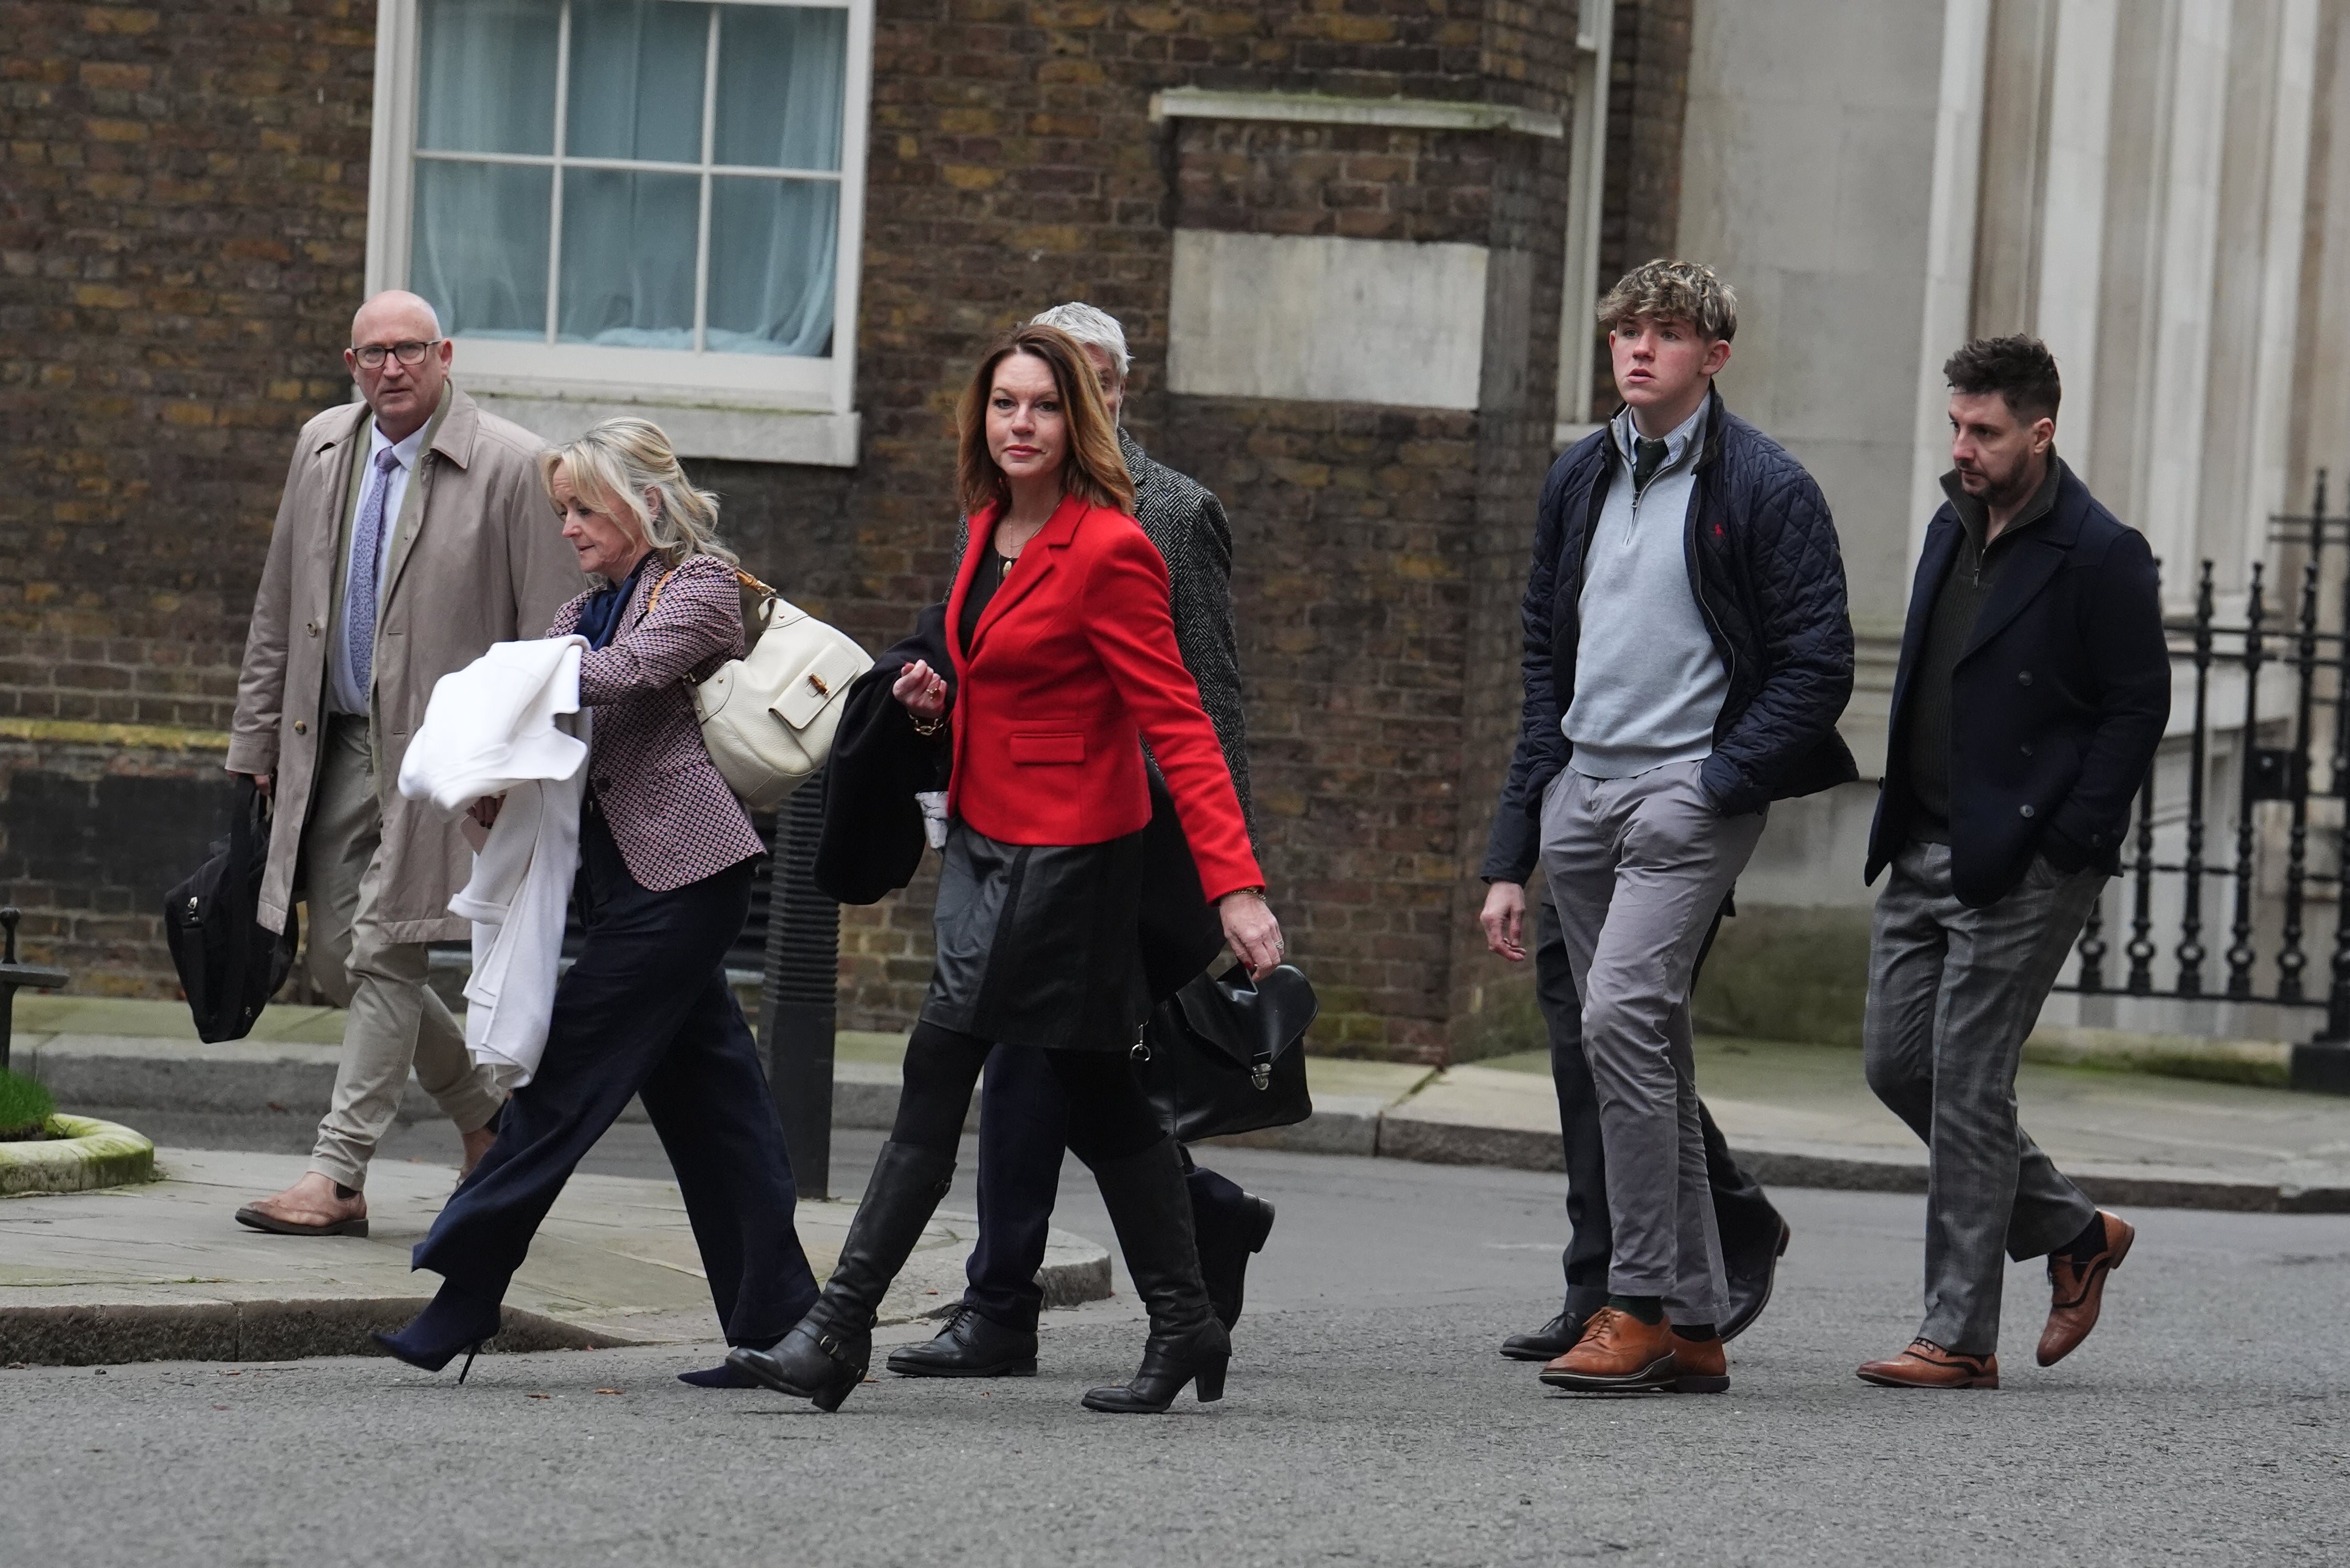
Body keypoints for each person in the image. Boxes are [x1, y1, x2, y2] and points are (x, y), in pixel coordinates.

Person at [729, 323, 1282, 1415]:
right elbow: (996, 670)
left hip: (1072, 858)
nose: (1019, 423)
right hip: (986, 843)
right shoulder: (987, 532)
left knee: (938, 1071)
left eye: (1040, 405)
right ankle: (1185, 1321)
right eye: (1003, 405)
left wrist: (1235, 881)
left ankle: (837, 1331)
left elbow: (1177, 723)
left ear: (1079, 419)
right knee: (1101, 1094)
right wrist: (941, 700)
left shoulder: (1115, 547)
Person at [373, 417, 823, 1385]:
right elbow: (538, 710)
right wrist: (490, 772)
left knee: (564, 1075)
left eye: (584, 508)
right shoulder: (581, 611)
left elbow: (631, 674)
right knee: (719, 1111)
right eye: (562, 510)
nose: (569, 528)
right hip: (620, 885)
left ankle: (464, 1294)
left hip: (690, 877)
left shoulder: (698, 587)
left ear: (642, 503)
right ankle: (788, 1329)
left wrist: (512, 690)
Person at [888, 301, 1274, 1382]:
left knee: (1041, 1066)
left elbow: (1207, 701)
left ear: (1113, 395)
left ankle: (1003, 1303)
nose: (1049, 411)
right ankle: (1187, 1235)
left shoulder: (1167, 514)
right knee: (1065, 1068)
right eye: (1025, 395)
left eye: (1081, 388)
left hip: (1139, 849)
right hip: (1026, 839)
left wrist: (1223, 870)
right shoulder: (998, 511)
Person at [1491, 259, 1856, 1394]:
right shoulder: (1579, 480)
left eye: (1665, 334)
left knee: (1618, 1020)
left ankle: (1636, 1301)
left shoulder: (1765, 487)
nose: (1639, 350)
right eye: (1625, 334)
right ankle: (1696, 1325)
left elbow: (1818, 667)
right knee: (1646, 1044)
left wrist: (1717, 779)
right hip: (1582, 794)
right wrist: (1515, 850)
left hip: (1685, 796)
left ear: (1714, 355)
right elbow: (1544, 663)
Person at [226, 291, 584, 1238]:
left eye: (410, 351)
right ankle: (486, 1119)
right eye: (372, 353)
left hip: (446, 758)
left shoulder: (510, 465)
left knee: (388, 944)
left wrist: (520, 767)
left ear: (444, 355)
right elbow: (277, 606)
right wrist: (255, 740)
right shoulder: (321, 448)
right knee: (343, 956)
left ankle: (337, 1175)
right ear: (352, 362)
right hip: (334, 740)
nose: (391, 369)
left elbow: (558, 632)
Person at [1856, 337, 2166, 1390]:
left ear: (2041, 430)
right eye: (1956, 425)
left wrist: (2071, 838)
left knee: (1971, 1081)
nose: (1963, 446)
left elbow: (2138, 707)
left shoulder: (2099, 552)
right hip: (1923, 842)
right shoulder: (1952, 522)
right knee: (1899, 1066)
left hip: (2025, 859)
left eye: (1984, 431)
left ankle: (1957, 1336)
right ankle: (2075, 1232)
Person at [1474, 876, 1789, 1362]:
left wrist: (1720, 796)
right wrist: (1506, 870)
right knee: (1587, 1062)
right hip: (1574, 865)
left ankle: (1646, 1303)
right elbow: (1532, 792)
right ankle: (1600, 1292)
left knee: (1629, 1046)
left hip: (1665, 862)